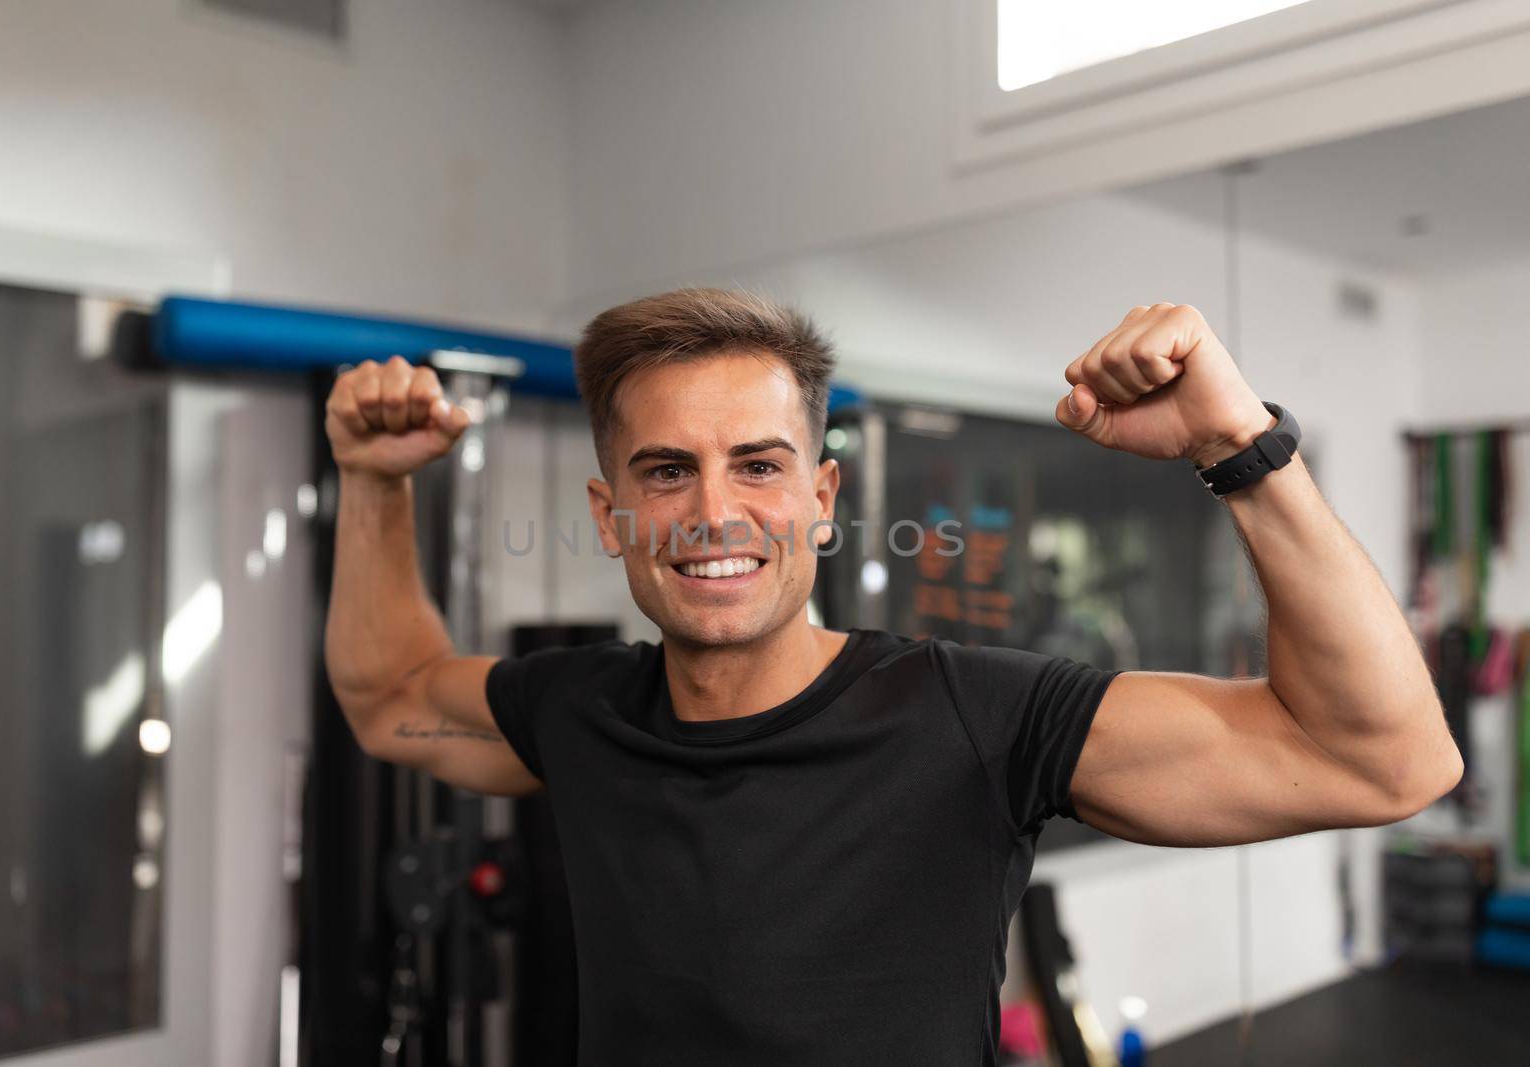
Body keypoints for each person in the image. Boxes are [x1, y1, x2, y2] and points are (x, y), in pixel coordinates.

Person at [323, 289, 1462, 1066]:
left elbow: (1377, 758)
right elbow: (390, 696)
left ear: (820, 499)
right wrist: (374, 486)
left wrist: (1240, 447)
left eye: (757, 465)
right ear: (607, 511)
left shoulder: (975, 715)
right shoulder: (575, 709)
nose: (714, 511)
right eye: (666, 470)